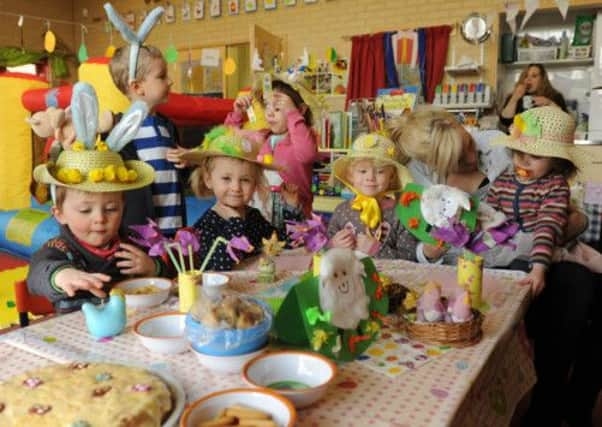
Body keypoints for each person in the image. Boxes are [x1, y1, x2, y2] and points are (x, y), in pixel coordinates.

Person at [389, 108, 600, 427]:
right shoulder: (420, 177)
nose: (471, 155)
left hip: (530, 256)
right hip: (472, 266)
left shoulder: (502, 147)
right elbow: (414, 243)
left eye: (467, 143)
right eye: (459, 159)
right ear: (433, 166)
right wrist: (432, 249)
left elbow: (566, 216)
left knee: (577, 289)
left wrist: (543, 240)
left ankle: (555, 401)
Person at [26, 133, 168, 313]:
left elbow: (168, 274)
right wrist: (60, 276)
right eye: (85, 210)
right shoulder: (59, 249)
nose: (100, 218)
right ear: (60, 214)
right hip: (78, 333)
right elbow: (35, 276)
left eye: (111, 209)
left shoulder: (131, 243)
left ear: (123, 207)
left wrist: (152, 268)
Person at [488, 106, 601, 294]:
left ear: (557, 161)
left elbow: (547, 227)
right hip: (508, 247)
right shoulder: (502, 181)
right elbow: (489, 216)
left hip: (546, 250)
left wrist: (538, 270)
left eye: (535, 156)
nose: (523, 161)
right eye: (518, 152)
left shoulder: (555, 185)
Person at [107, 5, 186, 237]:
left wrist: (185, 160)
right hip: (144, 234)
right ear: (137, 87)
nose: (170, 81)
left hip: (175, 225)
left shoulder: (167, 126)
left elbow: (173, 173)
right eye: (162, 76)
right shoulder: (121, 130)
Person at [327, 133, 442, 262]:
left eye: (380, 171)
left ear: (391, 176)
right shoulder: (341, 211)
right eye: (362, 171)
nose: (370, 177)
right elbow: (324, 251)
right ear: (350, 176)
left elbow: (409, 257)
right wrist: (334, 246)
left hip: (388, 279)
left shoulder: (402, 213)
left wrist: (376, 249)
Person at [225, 79, 318, 233]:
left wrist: (293, 114)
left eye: (278, 108)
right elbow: (230, 142)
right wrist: (238, 114)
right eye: (267, 106)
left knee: (291, 255)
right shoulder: (262, 137)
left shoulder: (304, 137)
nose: (269, 113)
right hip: (261, 216)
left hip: (293, 216)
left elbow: (307, 155)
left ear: (300, 110)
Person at [181, 129, 277, 271]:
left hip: (254, 286)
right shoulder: (206, 225)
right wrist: (235, 222)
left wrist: (292, 206)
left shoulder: (253, 216)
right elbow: (220, 266)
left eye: (245, 180)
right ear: (208, 180)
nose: (236, 188)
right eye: (226, 178)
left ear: (255, 184)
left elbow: (278, 241)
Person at [499, 63, 567, 129]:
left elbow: (566, 122)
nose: (529, 79)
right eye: (526, 76)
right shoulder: (515, 96)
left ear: (542, 79)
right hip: (518, 139)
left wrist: (549, 103)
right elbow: (505, 121)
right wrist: (514, 98)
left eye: (534, 76)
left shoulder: (555, 96)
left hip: (545, 139)